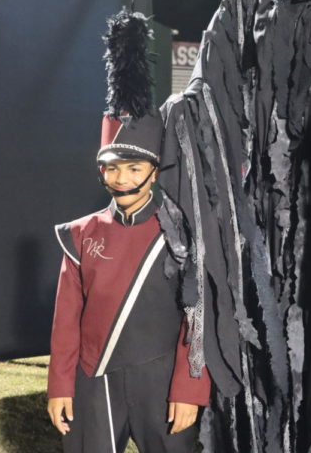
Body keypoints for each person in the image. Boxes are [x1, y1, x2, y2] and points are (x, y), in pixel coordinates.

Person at [48, 113, 211, 452]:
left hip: (162, 377)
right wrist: (61, 384)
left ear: (154, 171)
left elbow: (198, 317)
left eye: (134, 168)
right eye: (112, 168)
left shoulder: (183, 234)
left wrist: (188, 388)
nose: (122, 178)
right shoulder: (80, 234)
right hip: (94, 377)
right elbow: (66, 319)